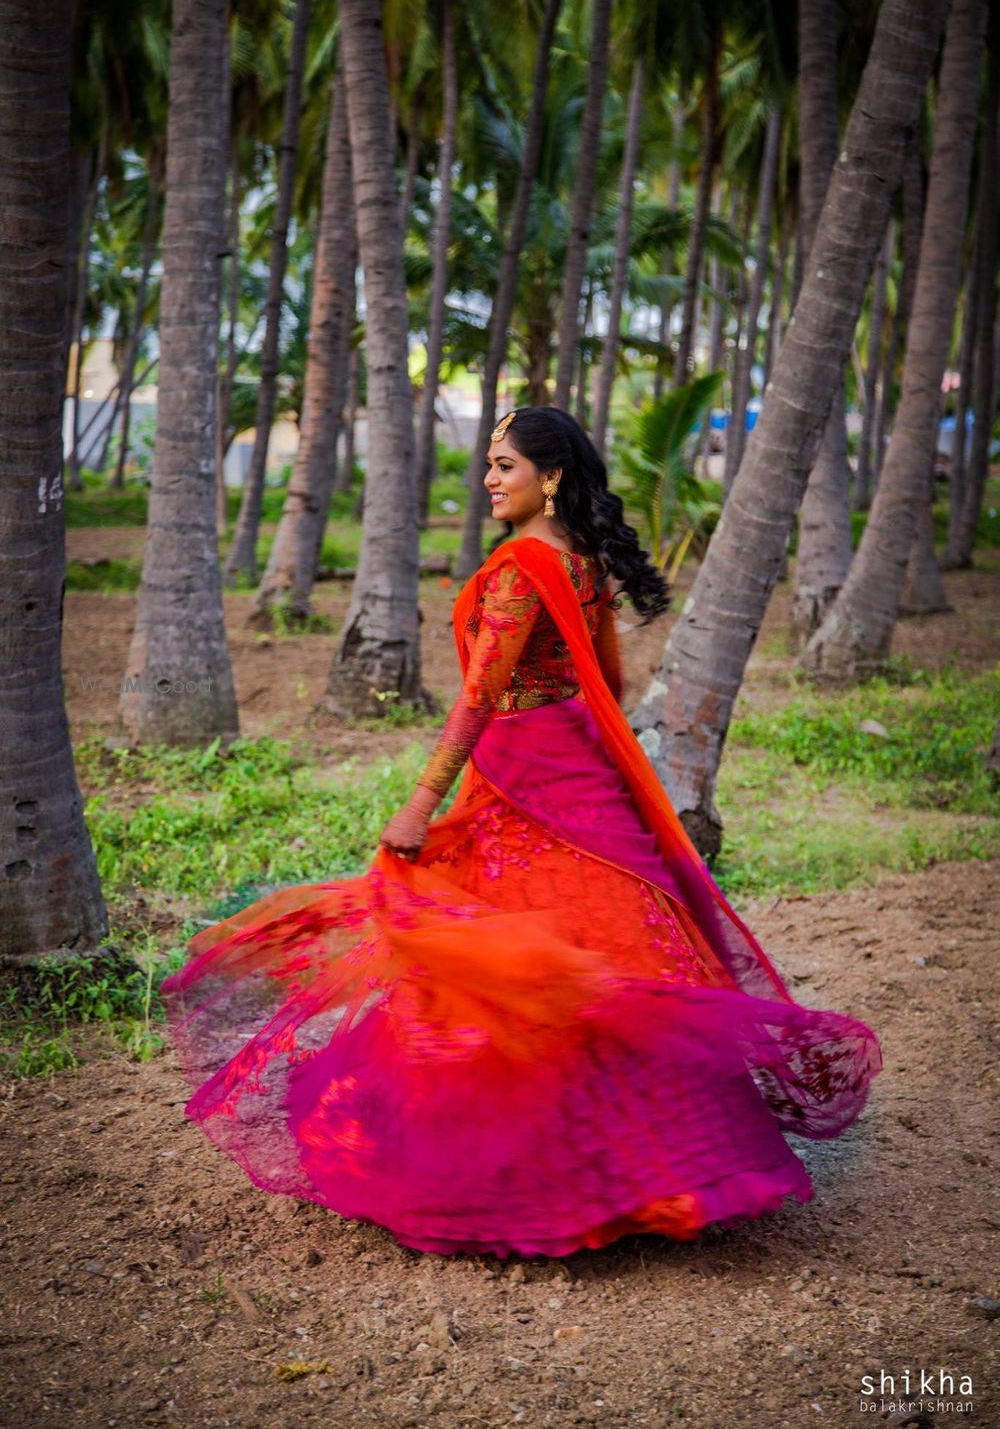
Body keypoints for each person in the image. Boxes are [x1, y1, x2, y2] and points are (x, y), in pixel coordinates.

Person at [162, 406, 882, 1259]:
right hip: (569, 762)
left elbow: (477, 696)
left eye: (505, 465)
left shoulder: (521, 569)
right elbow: (598, 681)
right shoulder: (580, 563)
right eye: (489, 465)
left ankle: (537, 1183)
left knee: (526, 959)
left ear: (553, 477)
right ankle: (671, 1172)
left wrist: (420, 802)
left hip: (525, 771)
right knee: (609, 943)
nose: (490, 480)